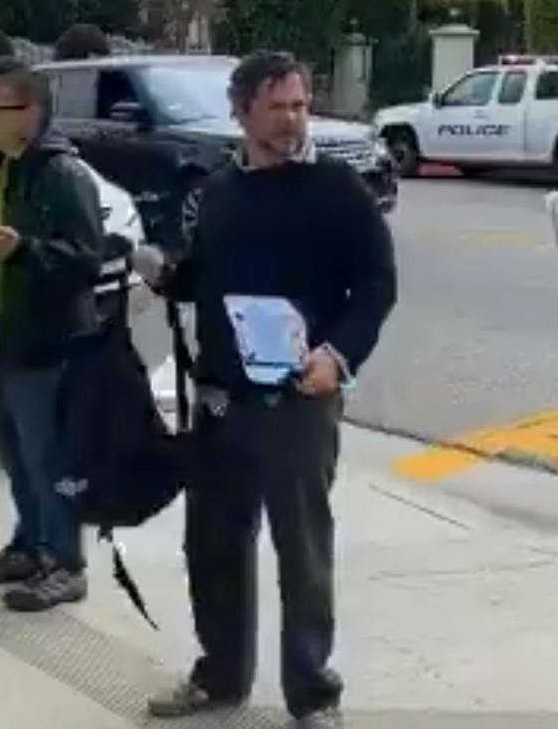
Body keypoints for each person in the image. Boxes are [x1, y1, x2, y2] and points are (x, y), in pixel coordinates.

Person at [133, 51, 398, 729]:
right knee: (214, 546)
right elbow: (205, 278)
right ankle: (220, 676)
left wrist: (336, 357)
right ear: (243, 111)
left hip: (299, 402)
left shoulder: (339, 192)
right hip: (223, 402)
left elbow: (375, 285)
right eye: (278, 107)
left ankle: (314, 694)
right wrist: (168, 273)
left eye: (301, 105)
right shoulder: (219, 193)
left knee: (301, 550)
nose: (293, 119)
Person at [0, 57, 106, 612]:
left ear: (32, 112)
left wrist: (25, 249)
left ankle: (65, 562)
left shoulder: (62, 174)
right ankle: (29, 543)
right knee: (10, 448)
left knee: (50, 456)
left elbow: (87, 258)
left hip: (48, 341)